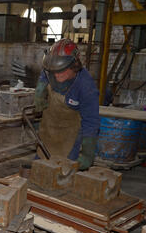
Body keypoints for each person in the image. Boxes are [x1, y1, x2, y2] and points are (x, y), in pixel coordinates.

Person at [34, 38, 100, 170]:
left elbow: (91, 121)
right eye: (53, 70)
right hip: (49, 127)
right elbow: (44, 74)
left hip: (70, 134)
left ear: (74, 66)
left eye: (61, 70)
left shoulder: (86, 86)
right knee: (38, 168)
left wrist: (87, 153)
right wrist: (40, 89)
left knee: (63, 173)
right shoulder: (50, 70)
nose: (56, 74)